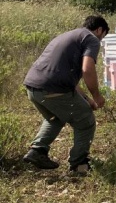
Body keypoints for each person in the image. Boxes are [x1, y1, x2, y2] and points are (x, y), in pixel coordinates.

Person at [23, 15, 109, 172]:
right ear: (99, 30)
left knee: (55, 118)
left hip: (33, 86)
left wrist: (86, 98)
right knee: (85, 120)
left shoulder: (69, 35)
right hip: (53, 89)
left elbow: (68, 78)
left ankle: (37, 151)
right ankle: (79, 163)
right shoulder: (91, 39)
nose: (100, 41)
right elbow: (87, 69)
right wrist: (97, 96)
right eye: (102, 37)